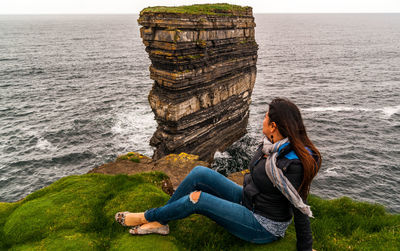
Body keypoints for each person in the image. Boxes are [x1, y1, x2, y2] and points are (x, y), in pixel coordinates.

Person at [115, 97, 321, 251]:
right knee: (199, 173)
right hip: (247, 200)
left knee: (198, 199)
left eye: (266, 117)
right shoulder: (271, 146)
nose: (263, 121)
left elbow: (299, 204)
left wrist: (306, 247)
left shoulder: (292, 163)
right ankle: (161, 222)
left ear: (274, 126)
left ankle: (147, 216)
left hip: (263, 224)